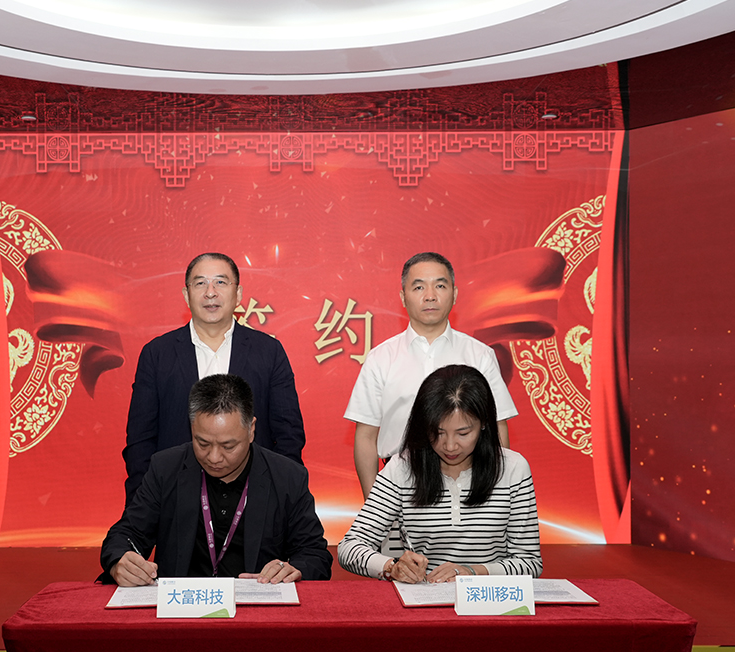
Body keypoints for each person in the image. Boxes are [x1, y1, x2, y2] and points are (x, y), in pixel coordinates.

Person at [101, 374, 331, 585]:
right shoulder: (166, 468)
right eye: (202, 443)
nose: (213, 457)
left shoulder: (287, 477)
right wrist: (120, 561)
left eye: (228, 446)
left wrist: (291, 569)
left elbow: (315, 555)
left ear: (251, 430)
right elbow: (125, 535)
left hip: (256, 607)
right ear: (192, 427)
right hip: (183, 606)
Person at [122, 252, 305, 504]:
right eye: (200, 283)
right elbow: (140, 439)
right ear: (186, 295)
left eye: (220, 282)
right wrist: (144, 504)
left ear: (238, 294)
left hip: (253, 498)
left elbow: (288, 434)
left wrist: (280, 499)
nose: (210, 292)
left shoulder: (268, 351)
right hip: (176, 498)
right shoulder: (157, 354)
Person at [337, 365, 541, 582]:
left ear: (484, 424)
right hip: (426, 594)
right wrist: (391, 567)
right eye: (438, 433)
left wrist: (473, 572)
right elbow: (349, 547)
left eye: (463, 433)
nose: (450, 446)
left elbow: (530, 563)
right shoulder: (402, 468)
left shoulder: (513, 469)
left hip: (491, 596)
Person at [345, 251, 519, 501]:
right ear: (403, 297)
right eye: (418, 287)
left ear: (454, 294)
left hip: (470, 484)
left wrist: (494, 496)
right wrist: (375, 505)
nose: (430, 295)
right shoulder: (380, 358)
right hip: (399, 484)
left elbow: (497, 426)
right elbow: (366, 436)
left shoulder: (480, 355)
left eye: (440, 285)